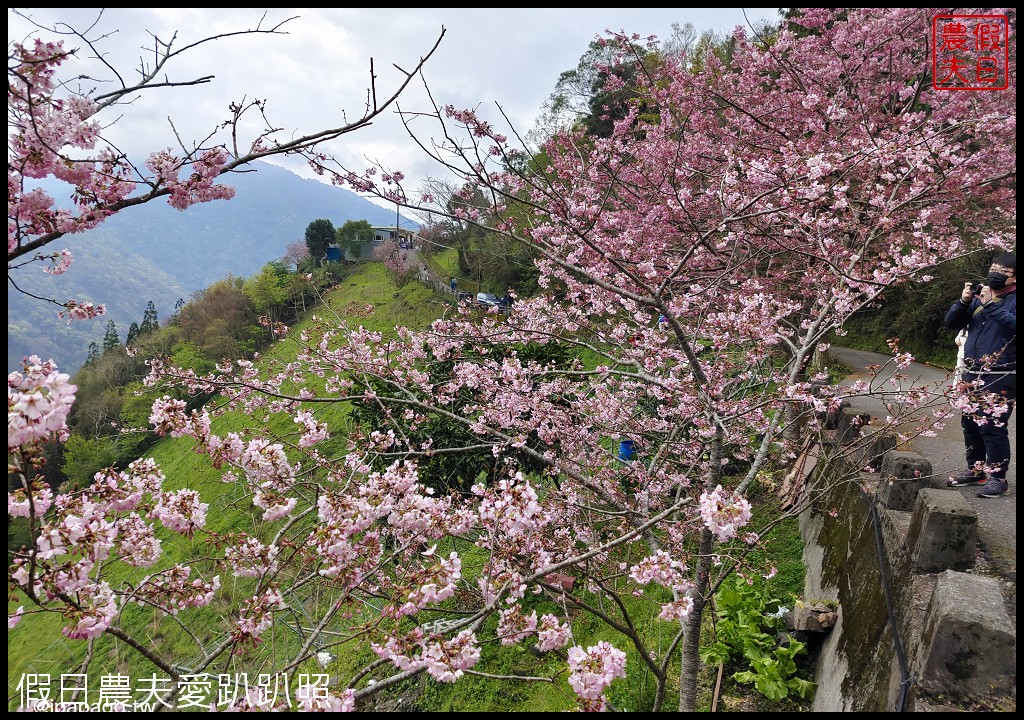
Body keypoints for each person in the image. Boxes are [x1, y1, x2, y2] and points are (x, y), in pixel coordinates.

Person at [943, 252, 1016, 498]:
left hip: (1001, 373)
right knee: (970, 424)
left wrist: (992, 304)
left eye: (1002, 272)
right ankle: (976, 470)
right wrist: (963, 302)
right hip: (971, 371)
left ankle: (998, 478)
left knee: (993, 427)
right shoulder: (979, 298)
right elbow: (951, 323)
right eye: (993, 269)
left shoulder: (1011, 300)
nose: (995, 274)